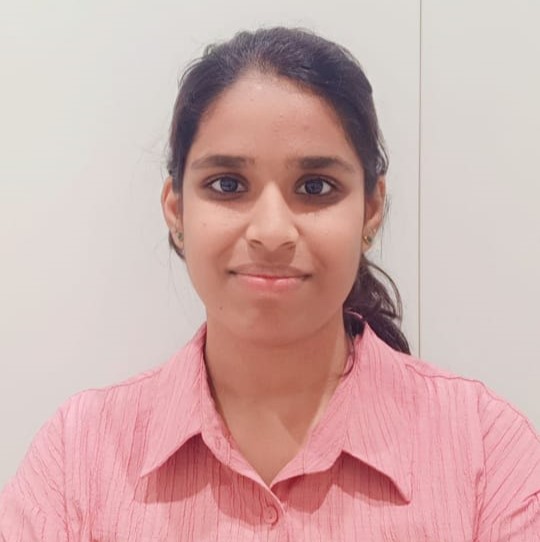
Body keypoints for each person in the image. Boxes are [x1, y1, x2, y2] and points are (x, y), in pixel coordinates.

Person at [1, 26, 539, 541]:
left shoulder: (486, 452)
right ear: (176, 208)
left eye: (315, 186)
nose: (272, 232)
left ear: (372, 208)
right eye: (228, 184)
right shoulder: (78, 457)